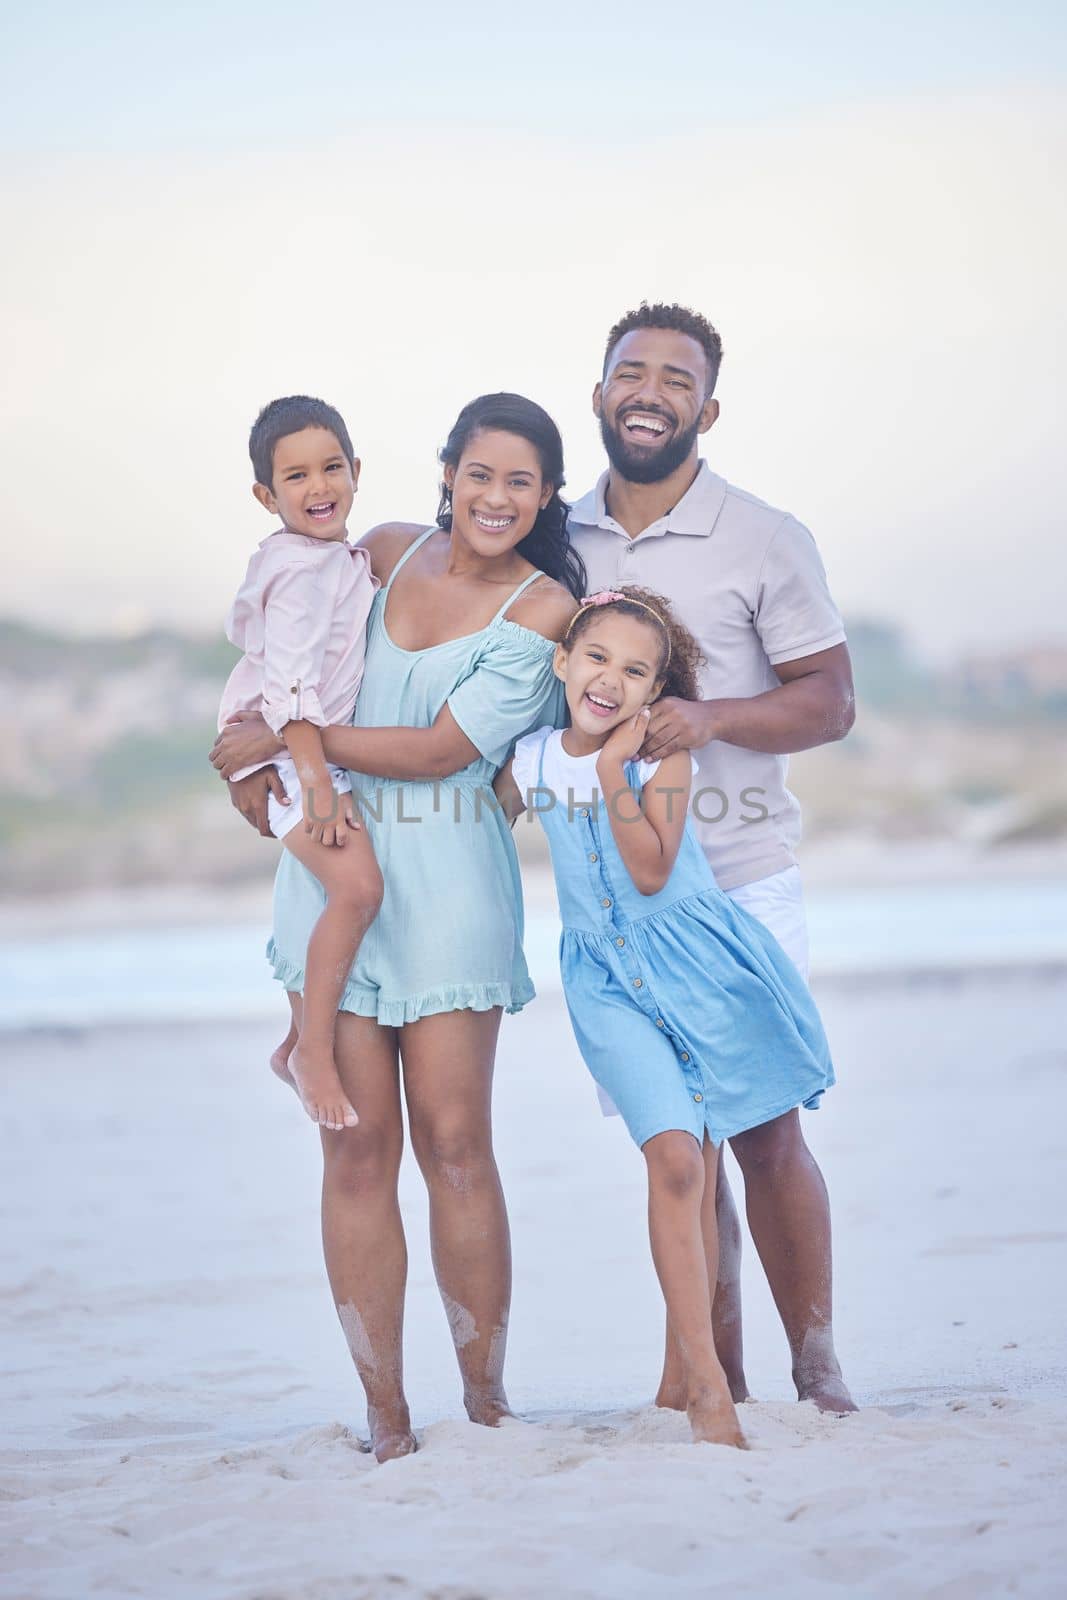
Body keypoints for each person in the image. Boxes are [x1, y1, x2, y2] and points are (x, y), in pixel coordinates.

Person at [210, 393, 582, 1461]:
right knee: (356, 1150)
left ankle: (487, 1400)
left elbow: (436, 749)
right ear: (445, 474)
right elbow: (283, 654)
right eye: (478, 474)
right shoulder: (373, 549)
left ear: (543, 494)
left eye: (519, 480)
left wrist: (295, 737)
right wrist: (246, 741)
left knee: (457, 1147)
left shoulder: (542, 606)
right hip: (335, 867)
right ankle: (384, 1416)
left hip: (450, 877)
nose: (494, 497)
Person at [567, 302, 857, 1414]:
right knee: (674, 1138)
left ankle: (817, 1369)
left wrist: (706, 718)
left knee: (762, 1127)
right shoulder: (561, 535)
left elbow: (828, 703)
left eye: (673, 378)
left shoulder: (764, 535)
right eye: (628, 371)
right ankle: (712, 1371)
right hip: (620, 897)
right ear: (597, 395)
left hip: (736, 876)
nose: (649, 390)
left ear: (707, 407)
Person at [494, 588, 835, 1446]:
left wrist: (614, 771)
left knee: (719, 1154)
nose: (610, 680)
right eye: (597, 657)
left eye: (636, 671)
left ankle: (699, 1383)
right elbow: (467, 818)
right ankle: (703, 1385)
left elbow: (649, 870)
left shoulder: (661, 763)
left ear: (656, 693)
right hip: (606, 989)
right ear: (564, 662)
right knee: (675, 1158)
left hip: (695, 971)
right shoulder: (529, 759)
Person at [219, 396, 382, 1132]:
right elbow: (287, 685)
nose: (319, 487)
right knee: (357, 890)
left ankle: (296, 1042)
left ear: (356, 471)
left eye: (331, 468)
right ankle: (311, 1051)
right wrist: (317, 782)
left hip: (304, 747)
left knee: (349, 892)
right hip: (293, 754)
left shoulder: (332, 559)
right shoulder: (298, 571)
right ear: (266, 495)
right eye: (296, 477)